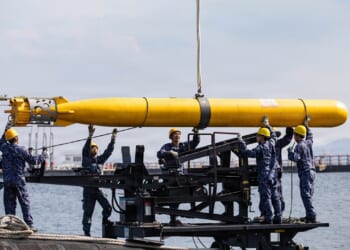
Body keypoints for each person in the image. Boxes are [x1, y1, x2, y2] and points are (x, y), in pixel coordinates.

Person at [0, 123, 47, 231]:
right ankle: (29, 225)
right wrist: (44, 154)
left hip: (7, 181)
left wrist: (6, 128)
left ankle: (9, 225)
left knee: (9, 204)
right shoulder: (21, 150)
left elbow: (1, 140)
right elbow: (35, 161)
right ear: (16, 138)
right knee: (24, 203)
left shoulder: (4, 148)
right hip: (19, 181)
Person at [239, 125, 282, 224]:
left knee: (266, 197)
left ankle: (268, 218)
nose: (256, 137)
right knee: (275, 196)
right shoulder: (271, 143)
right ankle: (278, 217)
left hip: (264, 175)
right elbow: (274, 136)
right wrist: (268, 125)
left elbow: (248, 153)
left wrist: (241, 142)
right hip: (273, 174)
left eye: (258, 135)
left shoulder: (261, 148)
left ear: (262, 137)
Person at [157, 128, 200, 225]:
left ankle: (192, 211)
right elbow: (160, 153)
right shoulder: (167, 146)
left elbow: (194, 143)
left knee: (190, 188)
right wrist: (169, 153)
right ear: (171, 137)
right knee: (173, 197)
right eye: (175, 134)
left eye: (178, 134)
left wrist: (196, 133)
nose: (177, 136)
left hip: (180, 174)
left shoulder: (183, 146)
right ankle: (173, 218)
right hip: (170, 174)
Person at [81, 125, 117, 236]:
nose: (94, 149)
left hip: (97, 190)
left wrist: (113, 139)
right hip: (88, 191)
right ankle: (87, 234)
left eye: (96, 148)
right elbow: (85, 148)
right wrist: (90, 136)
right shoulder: (86, 159)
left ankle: (104, 221)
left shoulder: (99, 161)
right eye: (92, 147)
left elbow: (108, 152)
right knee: (88, 214)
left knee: (108, 208)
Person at [288, 123, 316, 223]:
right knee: (309, 194)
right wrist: (307, 125)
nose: (294, 137)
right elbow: (311, 136)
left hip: (305, 172)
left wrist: (289, 153)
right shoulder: (308, 142)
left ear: (297, 135)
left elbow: (295, 158)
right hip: (312, 171)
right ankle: (310, 214)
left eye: (295, 135)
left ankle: (311, 216)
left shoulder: (299, 146)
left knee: (305, 194)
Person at [275, 127, 294, 212]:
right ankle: (278, 213)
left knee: (267, 195)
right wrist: (289, 126)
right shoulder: (277, 144)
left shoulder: (275, 144)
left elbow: (288, 138)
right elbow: (288, 138)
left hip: (270, 174)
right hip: (276, 173)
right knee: (277, 194)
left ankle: (266, 214)